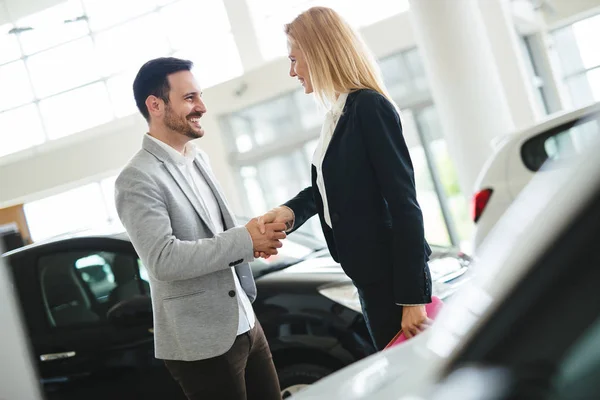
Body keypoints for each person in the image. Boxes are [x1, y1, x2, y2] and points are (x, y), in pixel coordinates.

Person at [257, 7, 433, 351]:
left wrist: (413, 298)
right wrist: (289, 212)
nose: (292, 71)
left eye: (294, 59)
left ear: (319, 53)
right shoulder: (338, 114)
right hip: (370, 279)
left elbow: (404, 204)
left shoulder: (369, 107)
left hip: (393, 284)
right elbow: (331, 188)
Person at [114, 57, 284, 400]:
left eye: (200, 96)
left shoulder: (198, 157)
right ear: (155, 105)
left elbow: (216, 230)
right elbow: (164, 259)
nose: (202, 107)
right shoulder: (137, 179)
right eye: (190, 98)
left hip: (246, 323)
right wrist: (243, 240)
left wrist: (255, 240)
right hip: (201, 343)